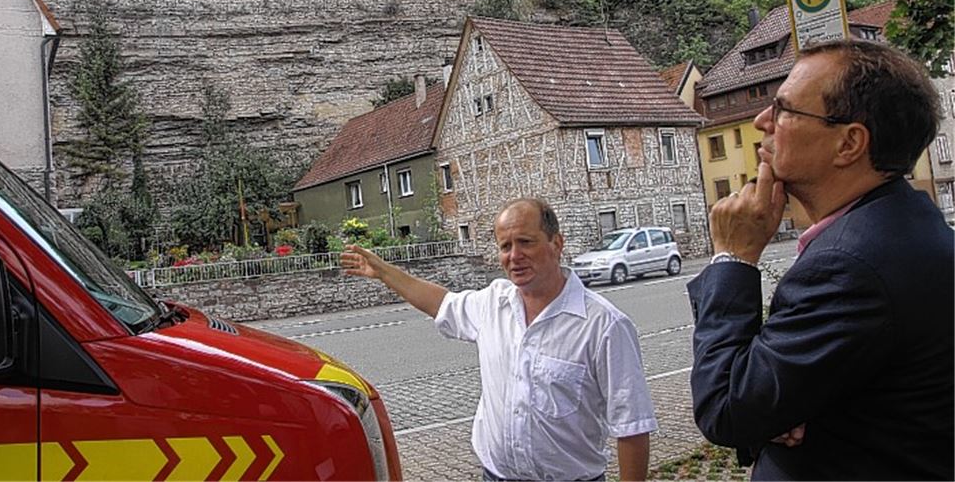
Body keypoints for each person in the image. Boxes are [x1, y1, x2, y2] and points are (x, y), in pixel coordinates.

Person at [688, 38, 954, 480]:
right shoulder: (904, 227)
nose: (761, 121)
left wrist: (732, 258)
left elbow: (728, 407)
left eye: (784, 110)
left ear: (849, 143)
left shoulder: (850, 266)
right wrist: (783, 407)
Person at [341, 198, 657, 481]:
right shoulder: (493, 304)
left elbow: (632, 426)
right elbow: (440, 303)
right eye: (505, 246)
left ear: (556, 243)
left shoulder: (604, 325)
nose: (514, 256)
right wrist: (384, 272)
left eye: (525, 242)